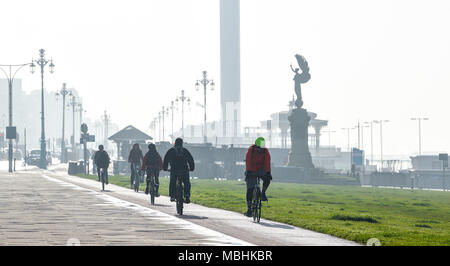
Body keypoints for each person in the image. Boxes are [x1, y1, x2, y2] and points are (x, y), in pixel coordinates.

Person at [244, 137, 272, 217]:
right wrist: (248, 171)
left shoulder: (265, 151)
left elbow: (267, 162)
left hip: (261, 169)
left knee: (267, 179)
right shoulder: (250, 150)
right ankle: (249, 209)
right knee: (250, 189)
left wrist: (268, 173)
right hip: (251, 169)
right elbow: (248, 161)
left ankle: (263, 193)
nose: (260, 150)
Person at [163, 138, 195, 203]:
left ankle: (172, 196)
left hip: (174, 169)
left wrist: (165, 168)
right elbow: (190, 160)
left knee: (172, 182)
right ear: (182, 143)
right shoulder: (185, 150)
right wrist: (191, 168)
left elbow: (166, 160)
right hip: (184, 170)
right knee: (187, 182)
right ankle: (187, 195)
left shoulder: (171, 151)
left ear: (175, 143)